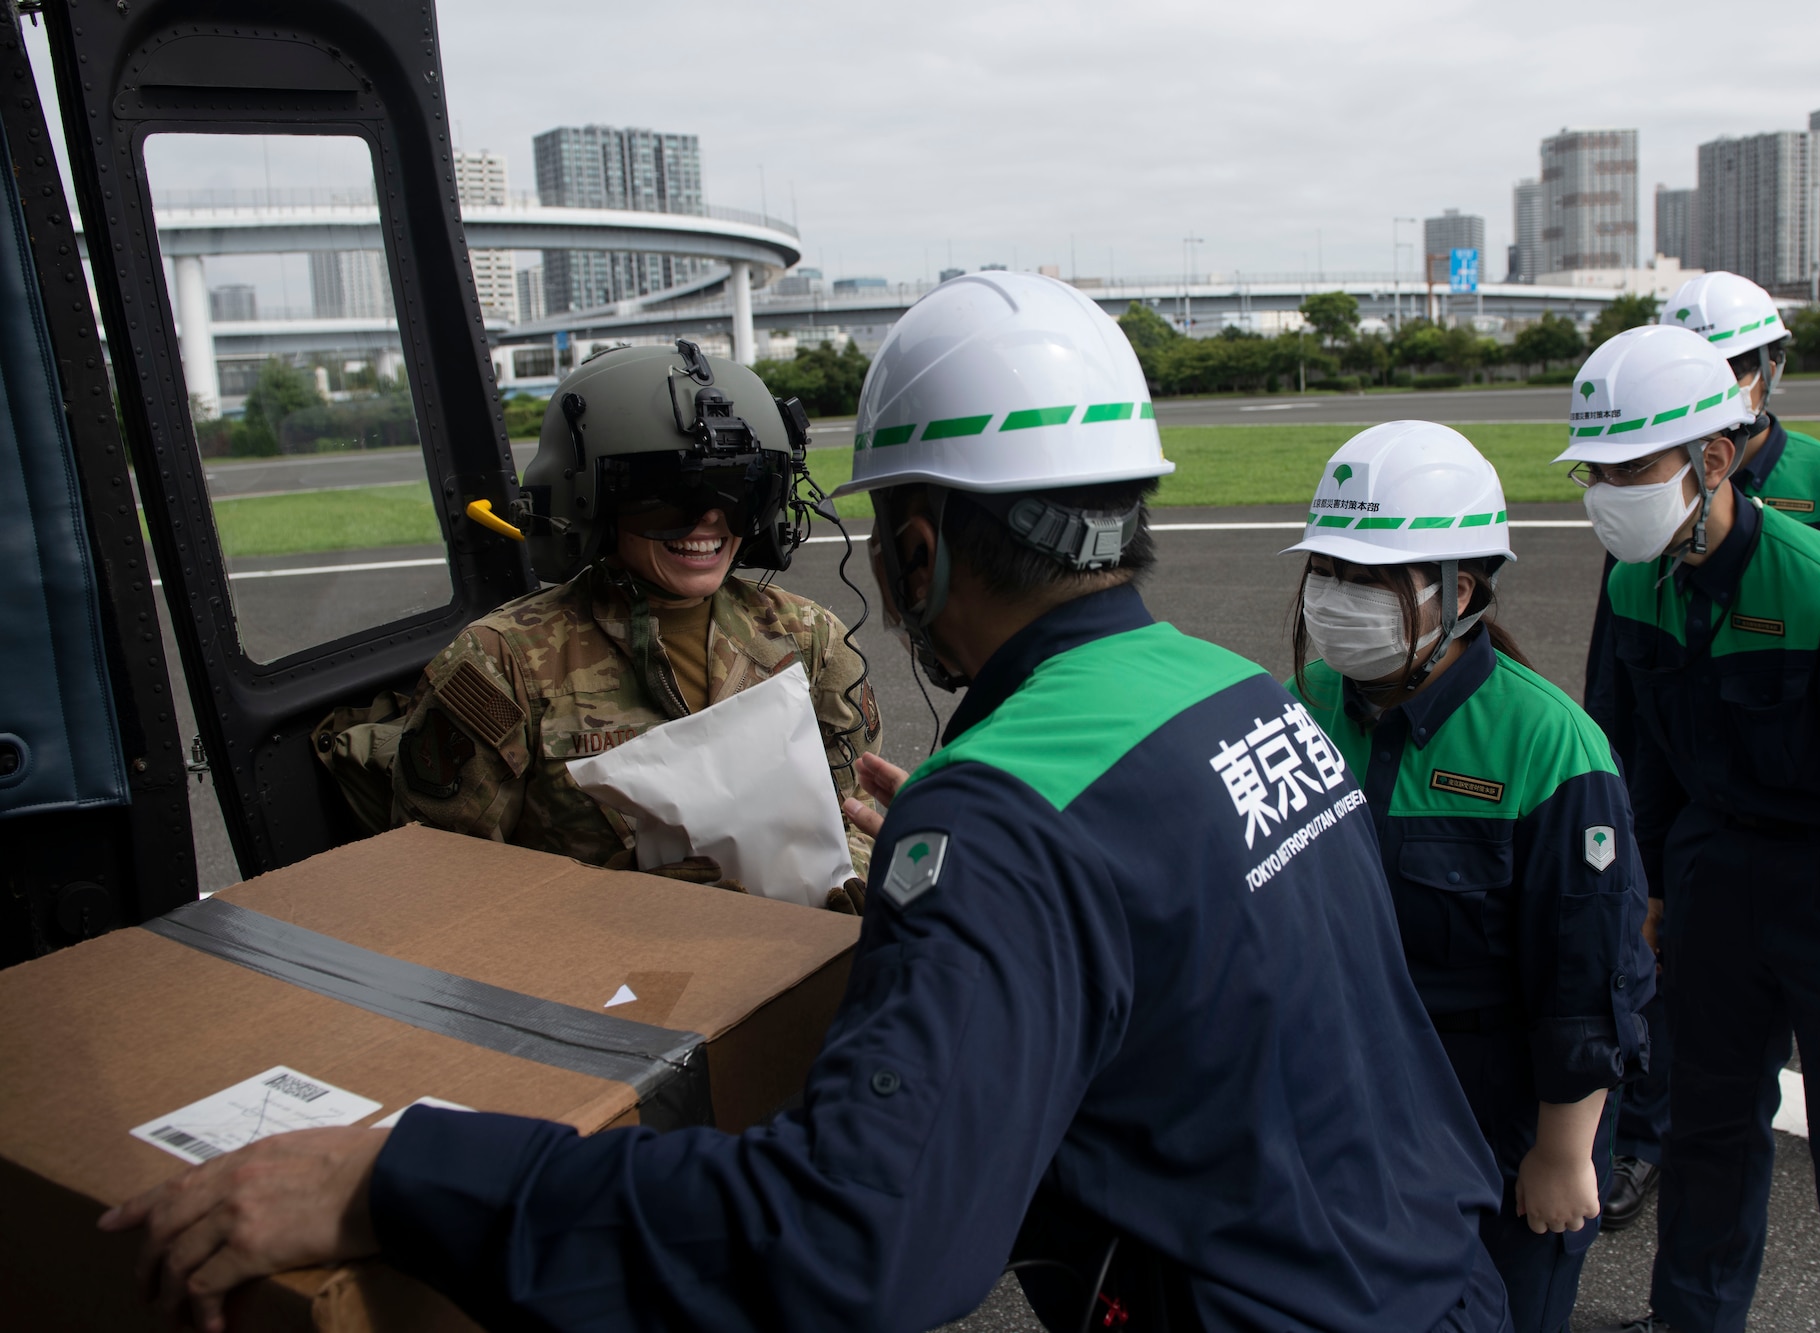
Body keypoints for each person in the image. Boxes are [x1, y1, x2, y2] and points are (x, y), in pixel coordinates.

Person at [103, 272, 1512, 1333]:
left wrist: (408, 1175)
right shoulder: (1244, 702)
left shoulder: (998, 812)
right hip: (1433, 1277)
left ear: (913, 545)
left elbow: (862, 1243)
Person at [1560, 325, 1820, 1332]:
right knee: (1705, 1138)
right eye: (1593, 469)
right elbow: (1640, 764)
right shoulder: (1633, 582)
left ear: (1711, 457)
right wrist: (1649, 891)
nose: (1604, 490)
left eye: (1629, 466)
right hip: (1714, 884)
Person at [1283, 421, 1652, 1332]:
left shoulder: (1548, 746)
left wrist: (1564, 1151)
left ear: (1465, 587)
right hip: (1355, 1091)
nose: (1337, 599)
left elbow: (1588, 973)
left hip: (1499, 1112)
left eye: (1372, 578)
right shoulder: (1314, 699)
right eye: (1328, 571)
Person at [326, 342, 881, 900]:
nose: (709, 520)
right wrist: (611, 901)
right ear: (591, 501)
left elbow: (852, 808)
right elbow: (433, 880)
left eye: (742, 492)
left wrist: (852, 876)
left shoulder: (811, 638)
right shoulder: (500, 664)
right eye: (670, 498)